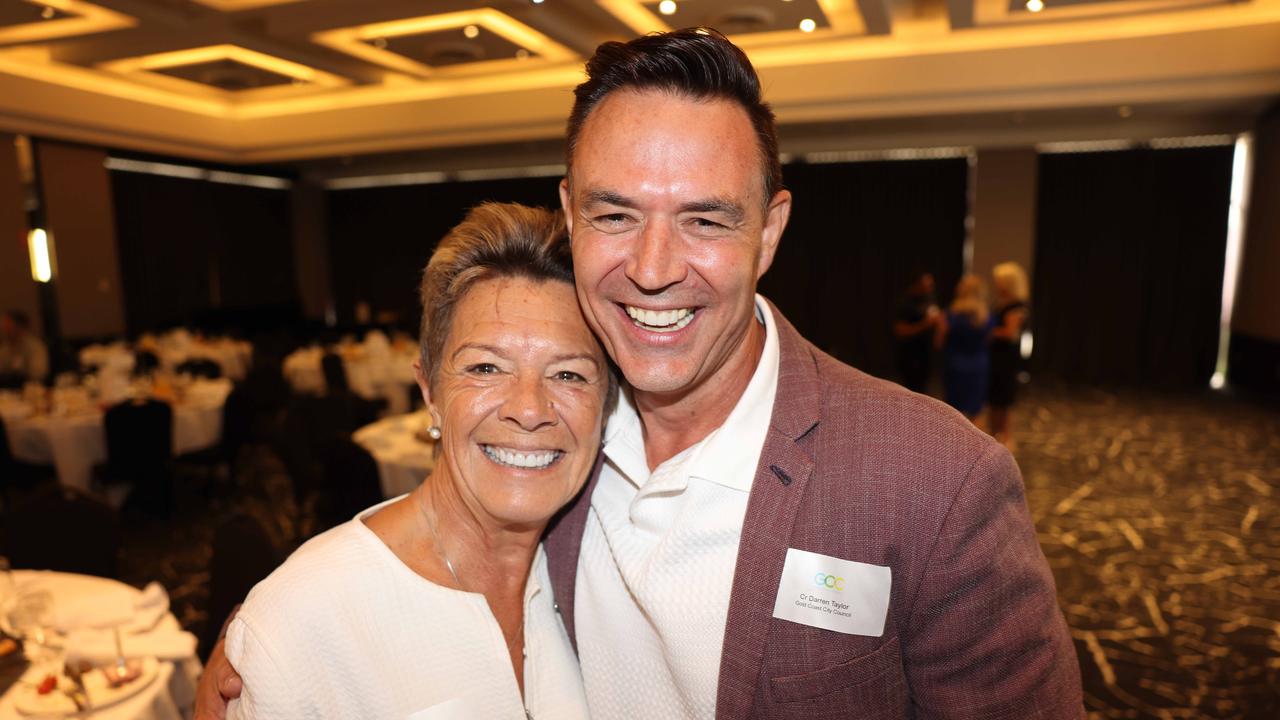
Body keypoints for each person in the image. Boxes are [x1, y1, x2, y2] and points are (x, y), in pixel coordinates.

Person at [200, 28, 1082, 719]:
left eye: (704, 220)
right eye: (616, 213)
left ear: (769, 233)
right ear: (569, 214)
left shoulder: (936, 482)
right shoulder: (562, 432)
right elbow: (440, 531)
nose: (655, 268)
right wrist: (281, 638)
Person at [221, 203, 611, 718]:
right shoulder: (304, 623)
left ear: (607, 406)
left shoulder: (601, 568)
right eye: (486, 366)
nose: (530, 409)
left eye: (569, 375)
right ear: (429, 391)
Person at [935, 274, 994, 420]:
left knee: (954, 413)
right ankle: (975, 443)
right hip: (978, 365)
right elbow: (987, 341)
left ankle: (956, 442)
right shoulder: (987, 316)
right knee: (976, 412)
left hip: (955, 365)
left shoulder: (950, 314)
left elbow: (938, 342)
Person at [988, 261, 1031, 448]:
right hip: (997, 357)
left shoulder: (1016, 306)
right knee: (995, 399)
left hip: (1005, 359)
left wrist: (985, 331)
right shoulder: (1003, 303)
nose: (996, 285)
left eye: (998, 281)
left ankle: (1005, 439)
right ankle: (994, 436)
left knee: (1003, 399)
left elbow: (1010, 333)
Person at [892, 271, 941, 393]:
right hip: (910, 355)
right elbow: (900, 330)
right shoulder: (905, 303)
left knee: (924, 390)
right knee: (910, 391)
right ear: (917, 284)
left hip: (926, 354)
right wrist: (924, 324)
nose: (930, 287)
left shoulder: (929, 298)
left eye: (931, 284)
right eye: (927, 284)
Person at [0, 310, 49, 385]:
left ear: (19, 326)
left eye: (8, 324)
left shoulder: (34, 346)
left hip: (30, 387)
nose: (4, 328)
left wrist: (18, 376)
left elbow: (39, 373)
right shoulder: (5, 346)